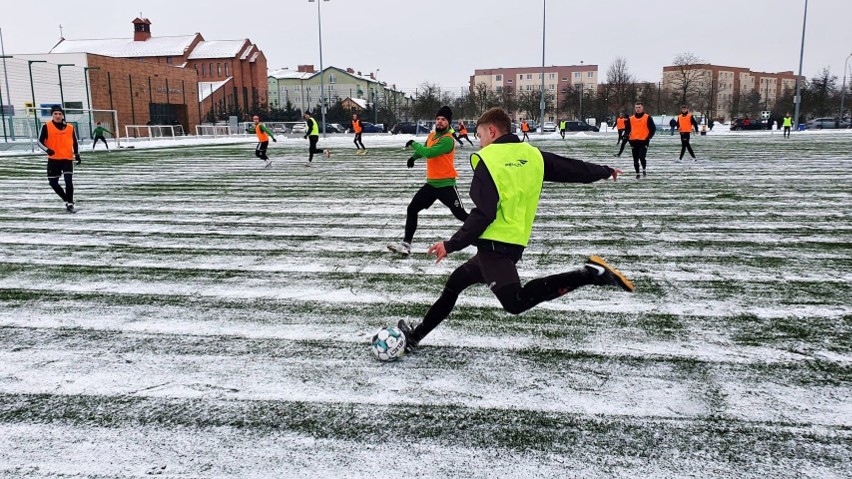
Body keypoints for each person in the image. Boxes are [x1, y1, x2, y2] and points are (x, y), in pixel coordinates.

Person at [395, 108, 632, 353]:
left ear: (492, 131)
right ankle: (416, 337)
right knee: (456, 283)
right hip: (511, 243)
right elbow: (571, 168)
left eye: (479, 136)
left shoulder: (487, 160)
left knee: (515, 303)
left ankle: (591, 274)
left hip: (494, 248)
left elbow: (483, 214)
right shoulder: (532, 155)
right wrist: (604, 171)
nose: (479, 142)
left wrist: (450, 244)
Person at [388, 106, 468, 255]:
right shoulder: (432, 136)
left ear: (448, 122)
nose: (439, 122)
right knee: (412, 209)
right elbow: (425, 148)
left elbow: (429, 153)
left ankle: (486, 234)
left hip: (446, 185)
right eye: (438, 119)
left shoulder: (448, 140)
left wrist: (413, 143)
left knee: (461, 215)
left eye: (443, 119)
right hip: (431, 185)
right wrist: (413, 158)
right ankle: (406, 244)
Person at [38, 105, 81, 213]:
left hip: (67, 158)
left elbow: (75, 142)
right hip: (53, 159)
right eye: (55, 114)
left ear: (63, 115)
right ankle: (66, 199)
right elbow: (39, 141)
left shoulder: (70, 127)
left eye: (60, 114)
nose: (58, 116)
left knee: (68, 181)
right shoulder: (46, 126)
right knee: (53, 182)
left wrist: (77, 154)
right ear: (52, 115)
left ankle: (70, 204)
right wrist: (48, 150)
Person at [623, 102, 656, 179]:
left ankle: (644, 169)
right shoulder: (631, 119)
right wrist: (626, 135)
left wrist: (649, 137)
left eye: (639, 107)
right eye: (636, 107)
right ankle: (637, 174)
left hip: (644, 141)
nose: (638, 109)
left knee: (642, 157)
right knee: (635, 159)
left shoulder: (647, 117)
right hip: (633, 141)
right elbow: (627, 129)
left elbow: (653, 129)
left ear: (642, 108)